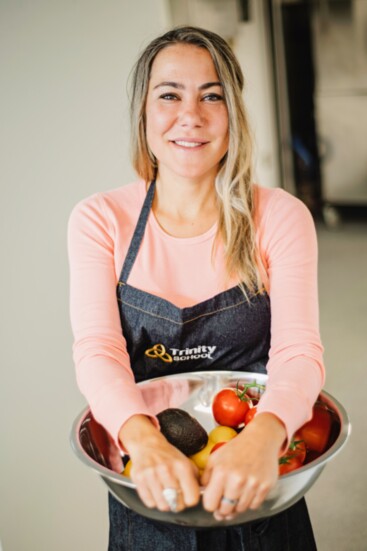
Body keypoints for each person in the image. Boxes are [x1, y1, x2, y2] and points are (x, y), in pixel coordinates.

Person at [68, 26, 325, 551]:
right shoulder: (100, 219)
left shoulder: (280, 216)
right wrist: (141, 440)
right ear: (143, 113)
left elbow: (299, 351)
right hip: (148, 486)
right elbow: (98, 350)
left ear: (233, 112)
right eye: (169, 95)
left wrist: (264, 435)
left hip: (259, 480)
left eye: (212, 95)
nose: (192, 115)